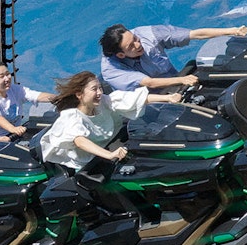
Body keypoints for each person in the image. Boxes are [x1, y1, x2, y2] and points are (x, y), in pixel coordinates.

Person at [39, 71, 181, 172]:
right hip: (84, 164)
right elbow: (79, 141)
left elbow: (134, 100)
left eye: (100, 87)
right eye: (94, 89)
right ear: (79, 94)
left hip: (109, 148)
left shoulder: (104, 102)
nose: (100, 92)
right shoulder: (71, 117)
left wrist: (168, 98)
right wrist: (109, 155)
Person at [99, 24, 247, 91]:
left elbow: (195, 34)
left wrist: (232, 31)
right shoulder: (111, 70)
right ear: (121, 55)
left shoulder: (149, 35)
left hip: (176, 84)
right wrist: (182, 79)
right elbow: (149, 83)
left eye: (135, 39)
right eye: (131, 46)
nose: (138, 45)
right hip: (148, 102)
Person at [0, 61, 58, 141]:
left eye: (8, 74)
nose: (7, 78)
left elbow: (35, 96)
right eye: (1, 76)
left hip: (13, 138)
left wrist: (58, 98)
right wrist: (13, 129)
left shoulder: (15, 89)